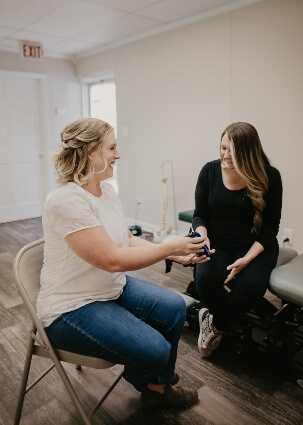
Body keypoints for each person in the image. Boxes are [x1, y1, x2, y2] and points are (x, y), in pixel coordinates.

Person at [37, 117, 211, 410]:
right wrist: (169, 246)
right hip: (69, 308)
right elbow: (112, 259)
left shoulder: (107, 191)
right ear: (89, 152)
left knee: (175, 308)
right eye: (111, 148)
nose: (118, 155)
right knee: (156, 350)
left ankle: (157, 388)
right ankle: (152, 373)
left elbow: (126, 240)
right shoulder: (65, 201)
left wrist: (173, 253)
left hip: (108, 289)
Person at [192, 122, 282, 358]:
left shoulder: (270, 177)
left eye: (232, 151)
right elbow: (199, 215)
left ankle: (214, 326)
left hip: (255, 246)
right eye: (222, 148)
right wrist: (202, 237)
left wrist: (246, 260)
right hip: (217, 244)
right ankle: (225, 315)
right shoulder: (209, 171)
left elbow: (271, 228)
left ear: (248, 152)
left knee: (251, 287)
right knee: (206, 280)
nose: (225, 155)